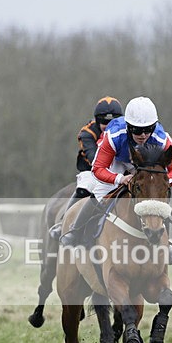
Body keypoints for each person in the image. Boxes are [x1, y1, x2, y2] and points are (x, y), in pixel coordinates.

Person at [59, 96, 172, 261]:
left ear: (154, 126)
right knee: (99, 192)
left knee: (156, 197)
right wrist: (120, 179)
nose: (143, 135)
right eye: (137, 130)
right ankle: (75, 231)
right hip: (117, 160)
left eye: (148, 129)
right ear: (128, 127)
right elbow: (98, 169)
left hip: (144, 165)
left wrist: (160, 183)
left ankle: (165, 243)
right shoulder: (114, 136)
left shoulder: (162, 139)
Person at [49, 96, 124, 241]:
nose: (108, 126)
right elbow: (94, 158)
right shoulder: (87, 133)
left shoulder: (125, 130)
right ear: (97, 120)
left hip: (120, 168)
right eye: (104, 122)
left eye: (112, 122)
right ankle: (63, 223)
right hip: (93, 170)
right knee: (85, 186)